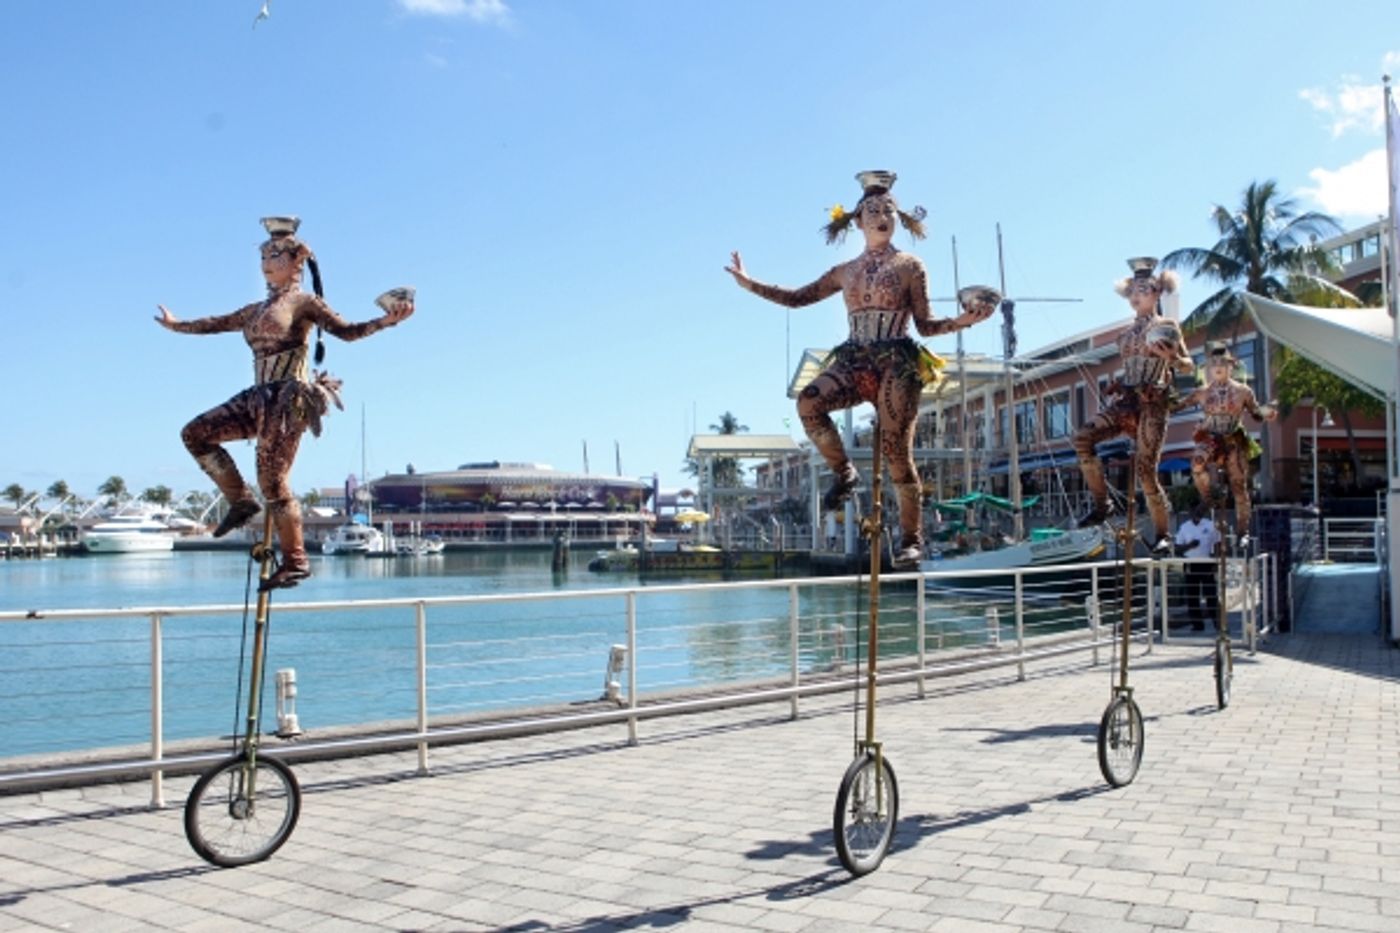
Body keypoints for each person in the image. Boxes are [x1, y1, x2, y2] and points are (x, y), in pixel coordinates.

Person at [725, 170, 995, 567]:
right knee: (809, 402)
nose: (881, 216)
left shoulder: (910, 266)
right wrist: (750, 284)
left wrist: (963, 322)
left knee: (896, 452)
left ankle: (910, 538)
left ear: (897, 217)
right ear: (858, 221)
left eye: (888, 209)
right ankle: (844, 471)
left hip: (897, 363)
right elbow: (797, 297)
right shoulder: (844, 271)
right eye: (872, 210)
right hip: (855, 357)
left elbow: (925, 325)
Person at [156, 216, 414, 590]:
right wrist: (176, 325)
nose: (265, 262)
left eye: (275, 254)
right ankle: (240, 500)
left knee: (274, 482)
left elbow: (348, 332)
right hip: (257, 396)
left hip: (287, 399)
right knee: (195, 433)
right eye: (263, 255)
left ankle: (295, 561)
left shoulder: (304, 303)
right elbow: (214, 323)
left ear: (296, 261)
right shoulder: (254, 310)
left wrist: (386, 321)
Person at [1072, 258, 1194, 554]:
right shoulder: (1124, 336)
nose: (1137, 295)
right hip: (1126, 400)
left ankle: (1163, 533)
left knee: (1146, 470)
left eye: (1144, 289)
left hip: (1153, 403)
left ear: (1156, 293)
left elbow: (1190, 367)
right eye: (1133, 291)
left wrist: (1173, 359)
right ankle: (1103, 504)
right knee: (1082, 437)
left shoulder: (1168, 327)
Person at [1175, 343, 1277, 549]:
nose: (1218, 367)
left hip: (1233, 438)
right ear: (1209, 368)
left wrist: (1268, 412)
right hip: (1210, 437)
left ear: (1231, 366)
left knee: (1239, 486)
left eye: (1222, 363)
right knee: (1196, 462)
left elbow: (1256, 413)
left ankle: (1243, 531)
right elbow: (1177, 405)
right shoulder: (1202, 392)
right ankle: (1207, 499)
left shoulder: (1243, 391)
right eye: (1214, 363)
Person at [1174, 503, 1220, 631]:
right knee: (1192, 596)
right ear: (1190, 512)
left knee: (1211, 595)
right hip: (1191, 564)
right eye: (1194, 510)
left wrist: (1216, 561)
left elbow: (1218, 543)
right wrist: (1189, 546)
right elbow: (1177, 548)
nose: (1197, 513)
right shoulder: (1184, 527)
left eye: (1199, 510)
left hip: (1207, 564)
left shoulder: (1210, 525)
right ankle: (1197, 625)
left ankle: (1218, 624)